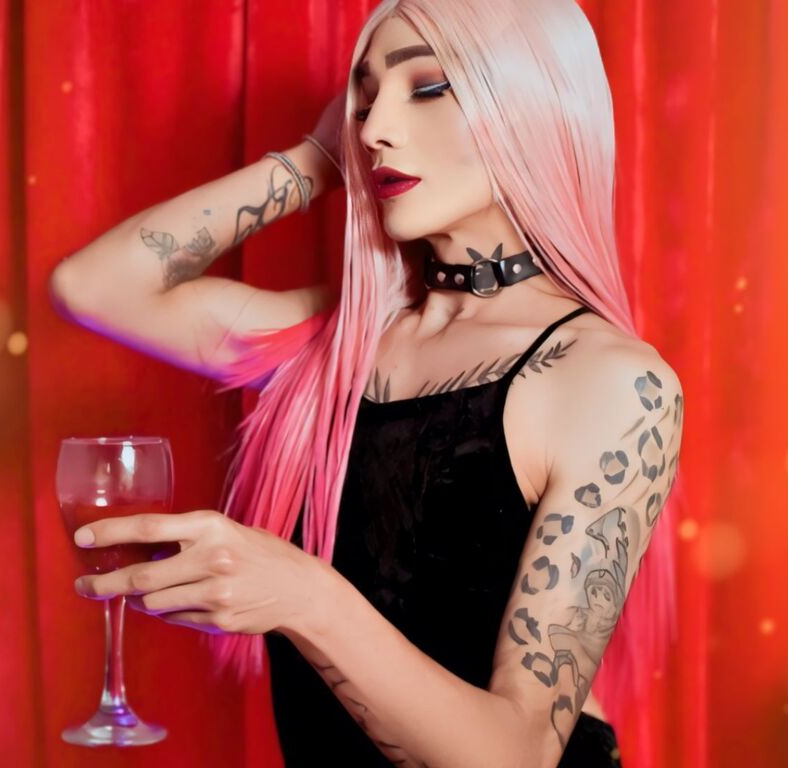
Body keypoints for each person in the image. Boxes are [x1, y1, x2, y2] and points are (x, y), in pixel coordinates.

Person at [51, 1, 685, 766]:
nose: (376, 126)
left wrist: (305, 596)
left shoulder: (609, 382)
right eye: (363, 99)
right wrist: (319, 157)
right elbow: (93, 287)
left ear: (533, 102)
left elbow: (515, 756)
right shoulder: (339, 341)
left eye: (427, 87)